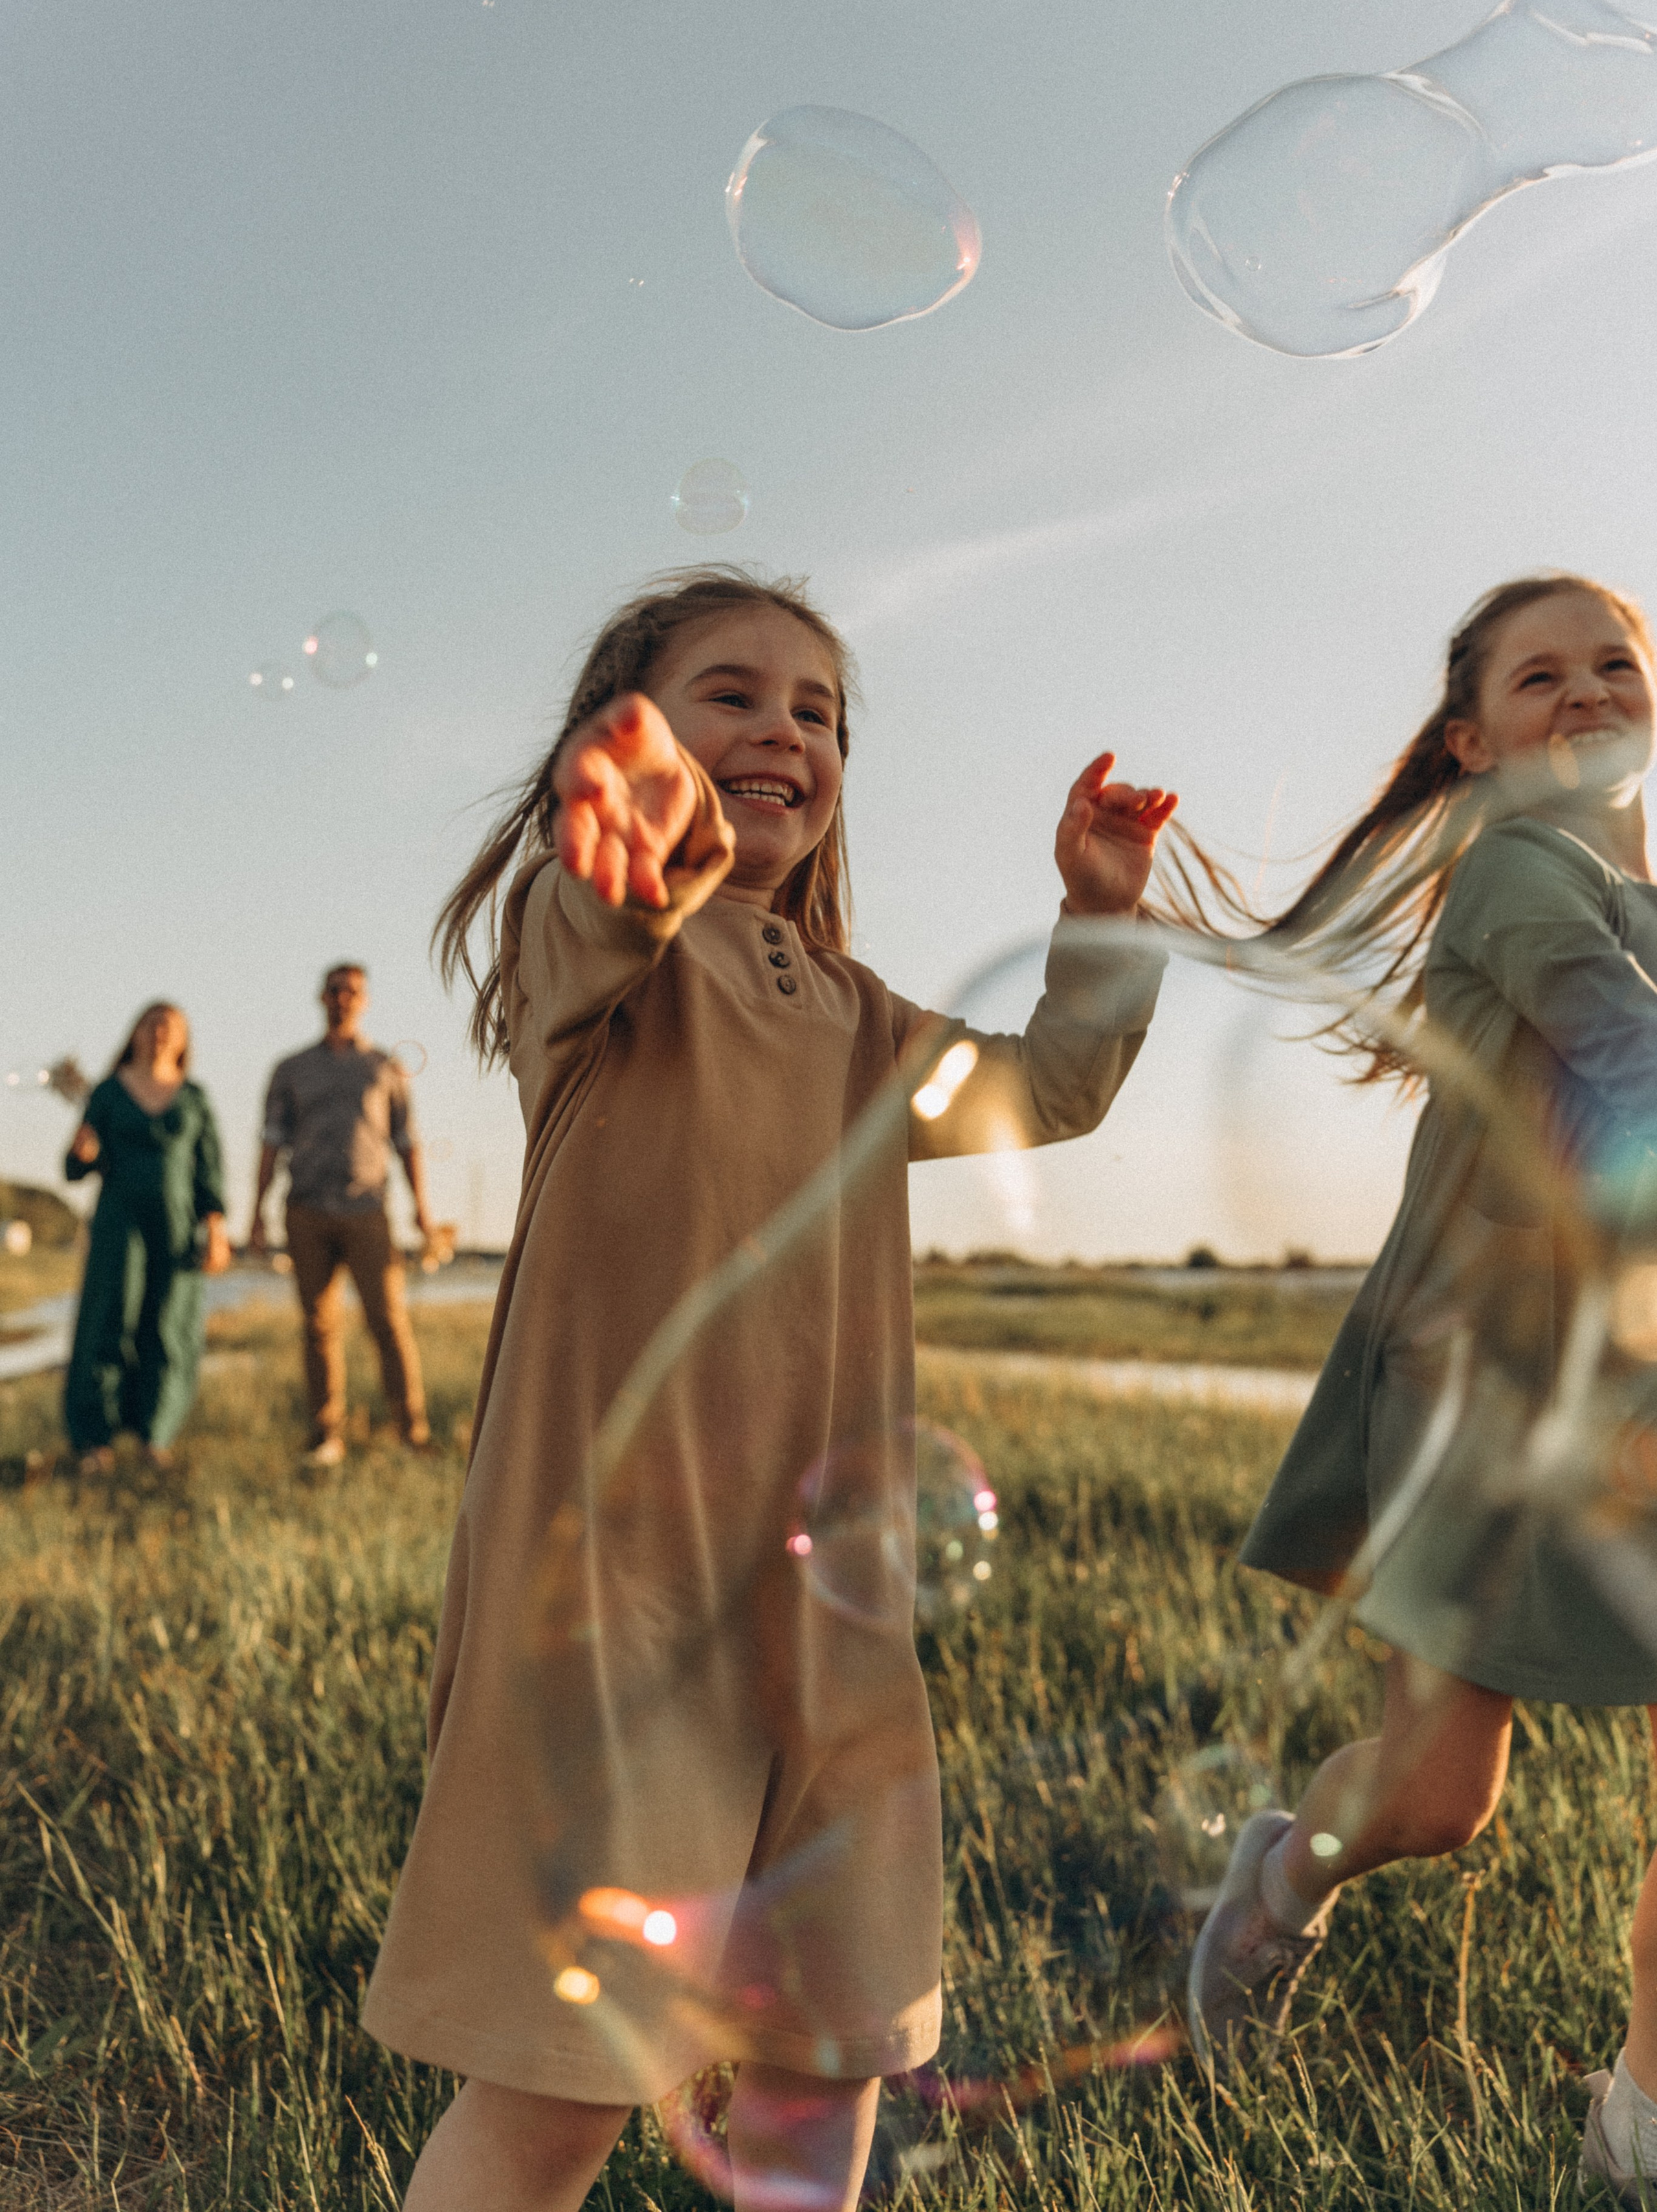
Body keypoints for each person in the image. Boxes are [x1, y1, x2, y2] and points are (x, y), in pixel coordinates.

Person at [360, 565, 1177, 2212]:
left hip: (829, 1604)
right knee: (569, 2092)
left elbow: (1047, 1090)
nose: (784, 733)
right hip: (619, 1603)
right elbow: (609, 898)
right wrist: (633, 838)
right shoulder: (596, 943)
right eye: (728, 695)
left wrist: (1098, 918)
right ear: (621, 740)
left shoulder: (859, 1020)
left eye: (817, 715)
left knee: (829, 2047)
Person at [1180, 573, 1657, 2196]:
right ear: (1472, 742)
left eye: (1615, 664)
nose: (1585, 693)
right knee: (1438, 1793)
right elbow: (1624, 1052)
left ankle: (1634, 2123)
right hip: (1482, 1382)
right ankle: (1274, 1891)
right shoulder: (1516, 868)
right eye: (1540, 677)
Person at [250, 963, 434, 1466]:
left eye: (353, 991)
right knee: (317, 1326)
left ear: (365, 1001)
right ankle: (325, 1435)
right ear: (321, 997)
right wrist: (257, 1212)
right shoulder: (291, 1069)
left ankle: (412, 1435)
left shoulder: (384, 1068)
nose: (343, 998)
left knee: (388, 1321)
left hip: (367, 1210)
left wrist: (422, 1210)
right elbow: (271, 1142)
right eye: (335, 990)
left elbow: (407, 1141)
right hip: (305, 1210)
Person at [62, 1001, 230, 1475]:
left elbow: (210, 1169)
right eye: (152, 1024)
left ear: (183, 1041)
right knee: (107, 1318)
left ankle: (155, 1435)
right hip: (118, 1223)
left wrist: (216, 1229)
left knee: (170, 1324)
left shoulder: (194, 1097)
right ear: (134, 1033)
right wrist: (83, 1154)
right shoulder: (107, 1092)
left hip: (176, 1227)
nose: (160, 1033)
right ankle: (95, 1438)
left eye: (171, 1027)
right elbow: (74, 1166)